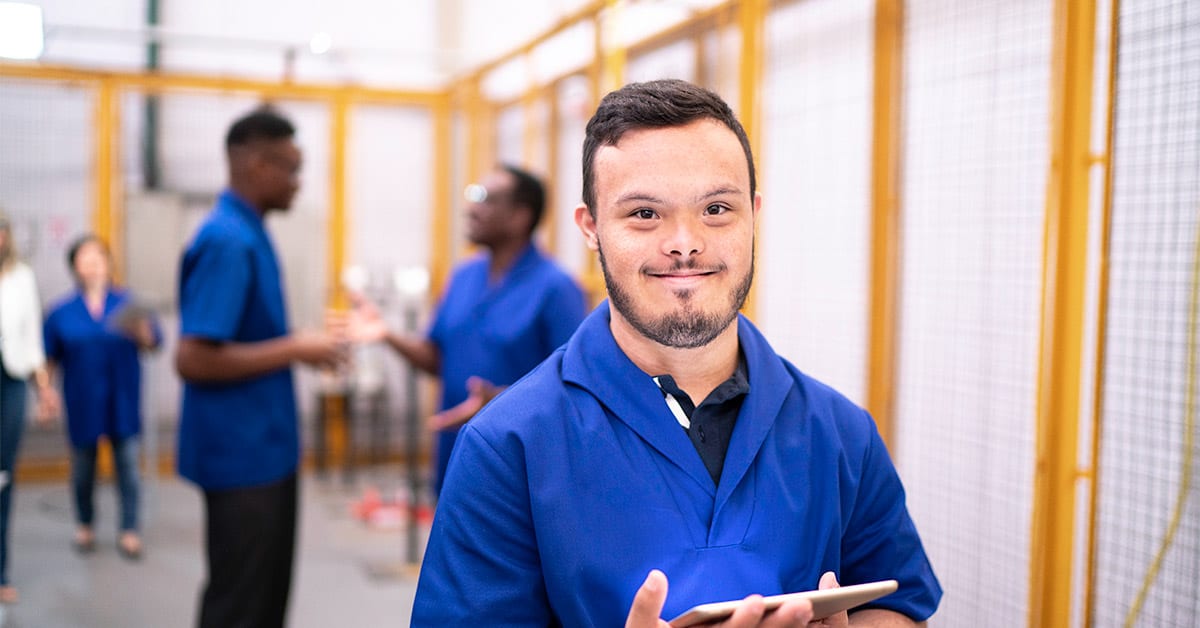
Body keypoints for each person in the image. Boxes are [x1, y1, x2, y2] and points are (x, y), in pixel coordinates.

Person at [412, 79, 942, 627]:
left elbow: (897, 603)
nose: (685, 242)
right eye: (644, 213)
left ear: (754, 216)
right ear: (591, 228)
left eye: (716, 208)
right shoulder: (508, 448)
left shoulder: (840, 433)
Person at [175, 108, 346, 628]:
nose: (298, 182)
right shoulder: (228, 240)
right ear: (252, 163)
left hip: (261, 452)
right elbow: (194, 357)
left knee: (263, 598)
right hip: (241, 458)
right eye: (290, 168)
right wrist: (295, 347)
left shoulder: (249, 231)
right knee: (242, 603)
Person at [351, 164, 586, 496]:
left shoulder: (556, 288)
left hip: (518, 463)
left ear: (520, 216)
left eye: (485, 198)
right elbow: (436, 358)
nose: (471, 208)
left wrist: (502, 401)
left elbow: (577, 388)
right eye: (473, 195)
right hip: (455, 453)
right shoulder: (464, 277)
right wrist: (387, 334)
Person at [43, 234, 161, 561]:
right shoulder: (61, 312)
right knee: (83, 469)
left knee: (128, 468)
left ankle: (129, 530)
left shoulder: (128, 304)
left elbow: (153, 344)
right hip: (82, 401)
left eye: (98, 257)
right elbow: (48, 357)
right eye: (85, 258)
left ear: (109, 263)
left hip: (122, 400)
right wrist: (45, 391)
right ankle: (85, 525)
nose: (93, 264)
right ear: (74, 267)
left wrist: (142, 332)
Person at [0, 213, 60, 605]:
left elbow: (32, 337)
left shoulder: (22, 277)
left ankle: (0, 569)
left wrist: (44, 388)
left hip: (10, 381)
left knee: (3, 477)